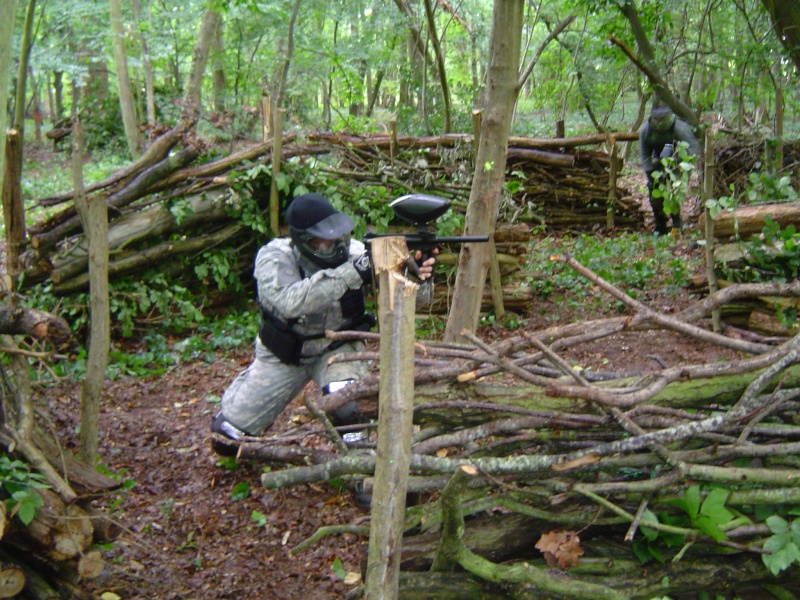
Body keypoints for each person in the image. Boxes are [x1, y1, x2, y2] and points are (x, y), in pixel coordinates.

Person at [211, 193, 437, 455]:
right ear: (303, 240)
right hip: (285, 354)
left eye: (337, 236)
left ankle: (362, 464)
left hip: (337, 350)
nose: (334, 244)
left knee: (347, 407)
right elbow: (290, 302)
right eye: (324, 240)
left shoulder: (357, 254)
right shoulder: (274, 257)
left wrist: (419, 275)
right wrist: (354, 272)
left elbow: (412, 300)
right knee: (227, 437)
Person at [639, 105, 701, 235]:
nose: (660, 123)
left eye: (663, 119)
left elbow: (694, 149)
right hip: (658, 161)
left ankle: (677, 222)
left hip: (679, 161)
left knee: (674, 190)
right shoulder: (645, 130)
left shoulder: (680, 128)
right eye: (657, 120)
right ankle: (660, 223)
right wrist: (650, 172)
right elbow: (644, 153)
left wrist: (681, 166)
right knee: (654, 191)